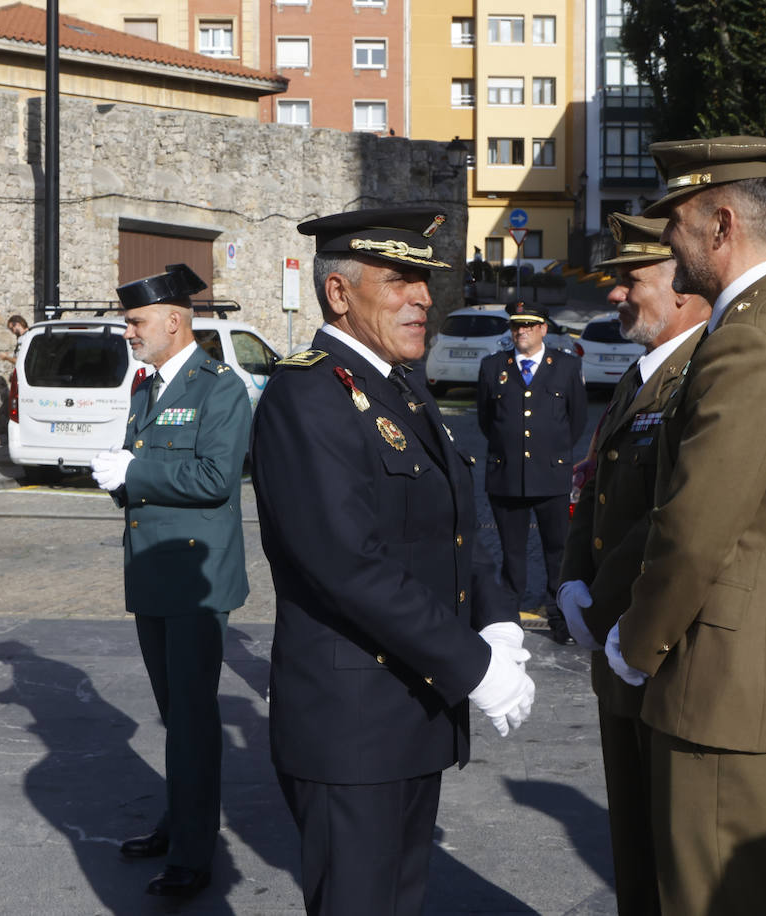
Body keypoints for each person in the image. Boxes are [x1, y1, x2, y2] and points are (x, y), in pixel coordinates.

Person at [251, 206, 535, 916]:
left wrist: (497, 621)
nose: (423, 298)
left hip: (412, 710)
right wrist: (474, 667)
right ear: (339, 294)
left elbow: (453, 528)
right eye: (400, 279)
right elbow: (349, 564)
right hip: (352, 727)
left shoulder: (399, 385)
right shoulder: (309, 393)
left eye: (426, 281)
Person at [606, 137, 766, 914]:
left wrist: (634, 644)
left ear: (720, 224)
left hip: (725, 688)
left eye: (675, 223)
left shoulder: (749, 339)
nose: (668, 243)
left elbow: (695, 529)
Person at [558, 212, 710, 915]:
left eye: (631, 280)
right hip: (615, 643)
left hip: (659, 642)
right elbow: (592, 483)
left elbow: (674, 513)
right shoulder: (640, 375)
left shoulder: (702, 376)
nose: (616, 295)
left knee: (671, 849)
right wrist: (568, 577)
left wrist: (598, 596)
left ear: (682, 286)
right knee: (632, 840)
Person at [89, 264, 251, 901]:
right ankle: (180, 817)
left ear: (174, 321)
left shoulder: (220, 388)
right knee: (171, 714)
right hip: (154, 570)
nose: (128, 332)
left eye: (136, 322)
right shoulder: (146, 387)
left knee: (191, 717)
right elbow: (145, 475)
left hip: (196, 578)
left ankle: (192, 850)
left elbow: (215, 479)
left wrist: (136, 472)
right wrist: (120, 479)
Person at [476, 300, 587, 644]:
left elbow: (578, 419)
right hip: (506, 477)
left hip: (551, 476)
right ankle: (509, 620)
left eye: (528, 325)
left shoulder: (566, 367)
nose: (520, 331)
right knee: (511, 555)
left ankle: (559, 617)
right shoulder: (493, 366)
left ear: (543, 329)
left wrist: (550, 452)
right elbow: (485, 420)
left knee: (558, 552)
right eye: (515, 325)